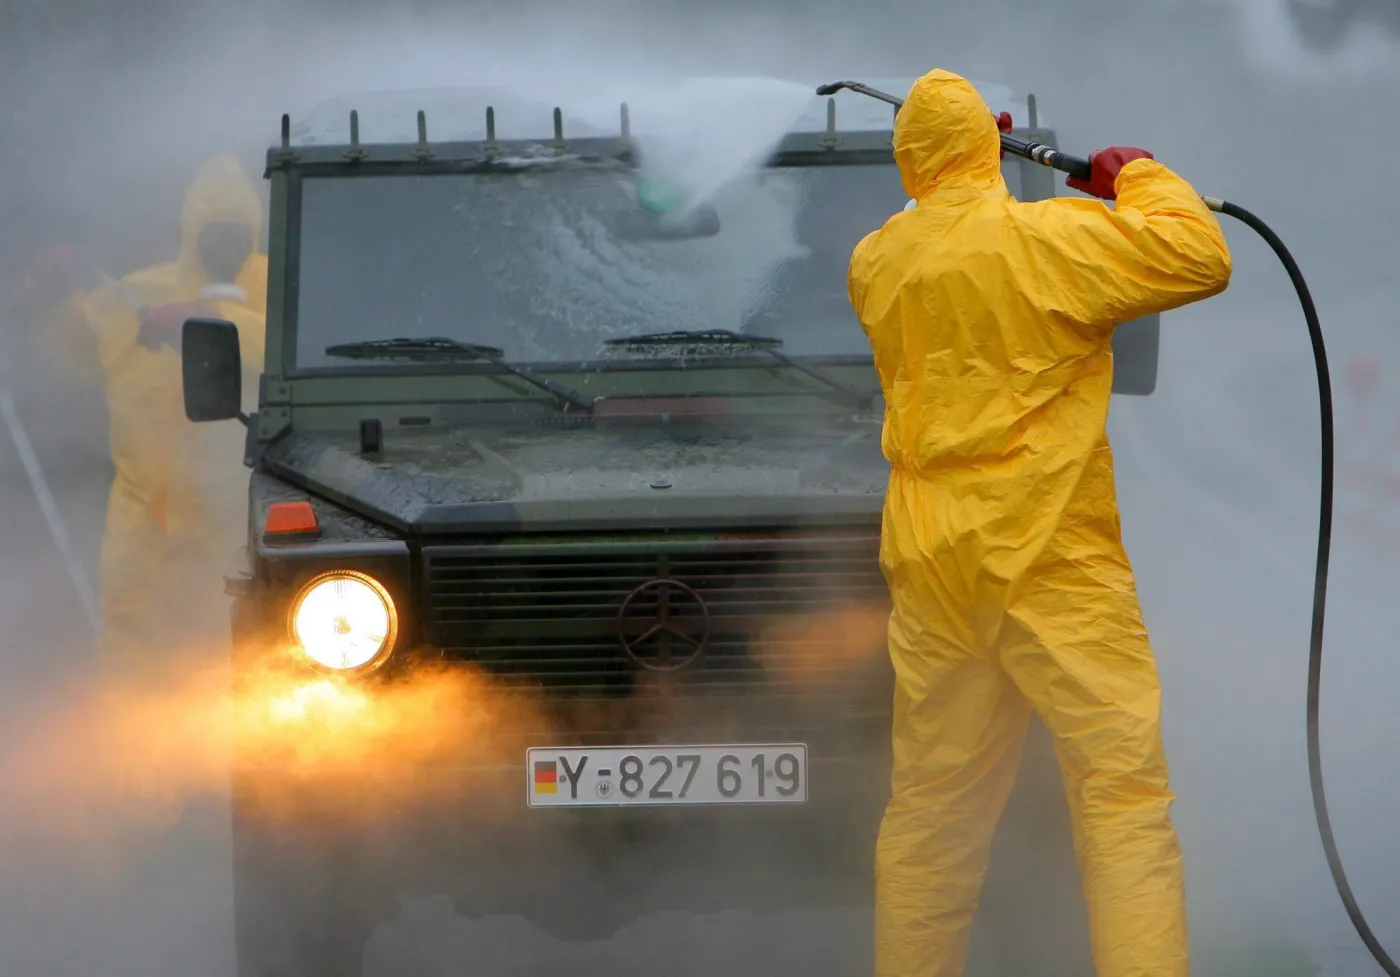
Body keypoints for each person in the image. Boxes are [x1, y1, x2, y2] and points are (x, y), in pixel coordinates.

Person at [847, 69, 1232, 977]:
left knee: (931, 816)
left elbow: (937, 228)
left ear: (909, 161)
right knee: (1120, 798)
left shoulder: (875, 263)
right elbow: (1200, 255)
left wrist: (965, 150)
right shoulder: (1050, 242)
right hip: (1050, 559)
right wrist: (1136, 176)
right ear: (990, 144)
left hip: (933, 567)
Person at [22, 153, 268, 681]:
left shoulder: (278, 288)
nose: (224, 247)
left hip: (237, 507)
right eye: (214, 233)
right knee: (129, 629)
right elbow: (71, 348)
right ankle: (126, 733)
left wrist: (207, 318)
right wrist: (48, 292)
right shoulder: (138, 293)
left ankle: (235, 730)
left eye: (235, 234)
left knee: (241, 629)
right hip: (143, 509)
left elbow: (289, 351)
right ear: (191, 230)